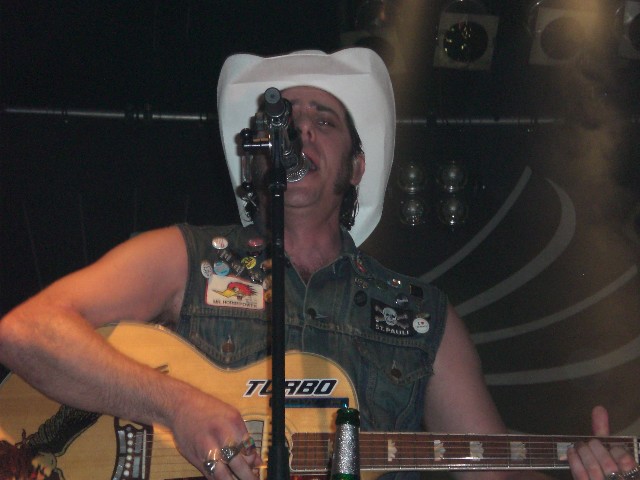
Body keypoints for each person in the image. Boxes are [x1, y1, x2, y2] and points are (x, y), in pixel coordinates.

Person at [0, 48, 637, 480]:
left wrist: (586, 471)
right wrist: (176, 406)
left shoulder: (423, 318)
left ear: (356, 167)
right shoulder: (181, 256)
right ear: (252, 156)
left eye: (322, 120)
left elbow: (489, 469)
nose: (297, 131)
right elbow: (26, 331)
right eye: (278, 122)